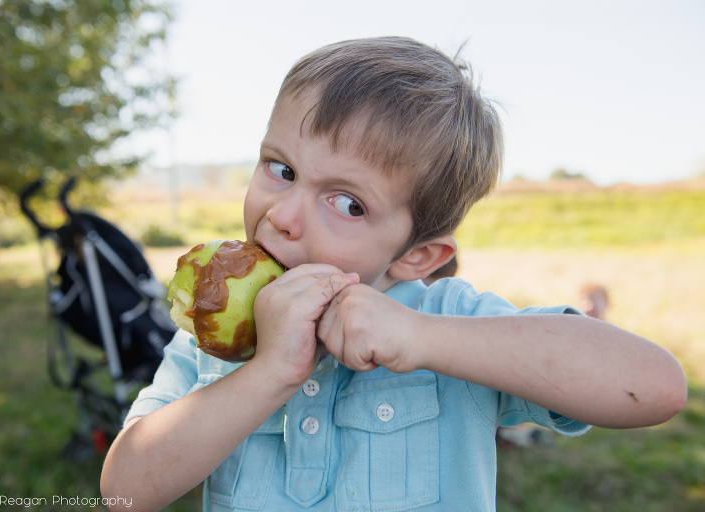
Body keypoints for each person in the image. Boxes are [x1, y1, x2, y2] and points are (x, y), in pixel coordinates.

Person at [101, 37, 687, 512]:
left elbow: (654, 386)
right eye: (280, 168)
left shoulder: (446, 321)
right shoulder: (210, 344)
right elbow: (124, 491)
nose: (281, 217)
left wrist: (424, 339)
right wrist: (268, 372)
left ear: (415, 256)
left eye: (348, 203)